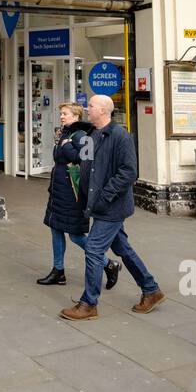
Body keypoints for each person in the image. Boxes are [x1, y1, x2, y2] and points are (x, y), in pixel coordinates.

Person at [59, 94, 163, 320]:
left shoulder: (120, 136)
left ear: (104, 111)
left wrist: (105, 195)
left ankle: (89, 304)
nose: (88, 108)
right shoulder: (93, 133)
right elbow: (83, 160)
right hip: (95, 204)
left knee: (94, 250)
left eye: (92, 106)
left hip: (111, 206)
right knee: (123, 249)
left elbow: (128, 172)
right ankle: (151, 289)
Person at [37, 101, 120, 289]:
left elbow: (86, 158)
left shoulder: (83, 135)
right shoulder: (65, 133)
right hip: (58, 190)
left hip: (72, 194)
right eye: (61, 113)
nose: (62, 116)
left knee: (75, 235)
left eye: (65, 113)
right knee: (55, 228)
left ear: (76, 116)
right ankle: (58, 271)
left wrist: (66, 146)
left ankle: (109, 264)